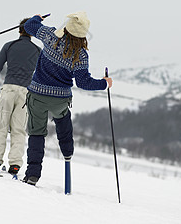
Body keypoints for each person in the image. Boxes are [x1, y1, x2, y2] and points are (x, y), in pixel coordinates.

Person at [22, 12, 113, 185]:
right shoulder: (81, 55)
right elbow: (84, 82)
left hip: (37, 95)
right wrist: (104, 83)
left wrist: (37, 18)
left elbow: (28, 27)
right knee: (64, 124)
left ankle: (32, 175)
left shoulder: (50, 36)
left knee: (36, 133)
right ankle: (68, 155)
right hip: (60, 100)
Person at [0, 18, 41, 174]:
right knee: (19, 129)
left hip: (9, 88)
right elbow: (40, 73)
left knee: (1, 125)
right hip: (26, 92)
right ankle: (15, 164)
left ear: (19, 30)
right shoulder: (37, 51)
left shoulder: (9, 45)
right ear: (33, 32)